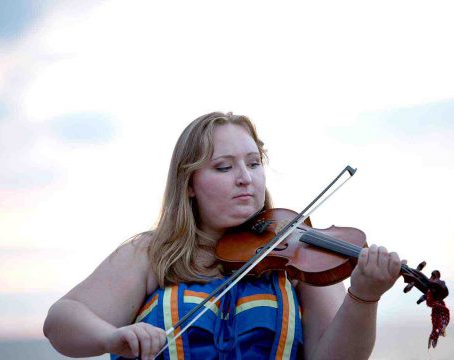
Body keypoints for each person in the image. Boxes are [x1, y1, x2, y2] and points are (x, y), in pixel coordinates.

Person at [44, 112, 402, 360]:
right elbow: (61, 321)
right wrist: (112, 337)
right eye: (224, 167)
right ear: (189, 185)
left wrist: (363, 298)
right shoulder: (152, 254)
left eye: (254, 162)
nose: (245, 177)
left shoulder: (299, 255)